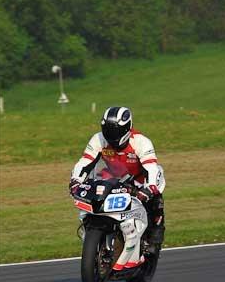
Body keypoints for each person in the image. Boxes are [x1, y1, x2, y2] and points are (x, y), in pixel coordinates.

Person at [69, 106, 166, 269]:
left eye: (115, 131)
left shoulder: (141, 142)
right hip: (110, 178)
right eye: (107, 129)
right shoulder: (99, 139)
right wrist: (75, 180)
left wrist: (149, 189)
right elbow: (85, 162)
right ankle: (95, 234)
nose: (111, 135)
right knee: (92, 201)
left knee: (155, 198)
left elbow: (152, 168)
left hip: (138, 181)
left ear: (127, 128)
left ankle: (153, 240)